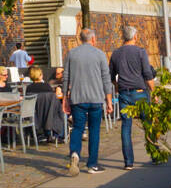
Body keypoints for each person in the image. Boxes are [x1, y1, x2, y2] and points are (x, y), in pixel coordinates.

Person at [63, 28, 113, 175]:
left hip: (77, 98)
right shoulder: (99, 54)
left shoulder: (72, 54)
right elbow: (106, 79)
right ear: (93, 39)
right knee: (94, 130)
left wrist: (65, 98)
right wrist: (109, 101)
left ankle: (74, 153)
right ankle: (92, 164)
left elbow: (66, 77)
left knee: (78, 128)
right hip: (96, 98)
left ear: (80, 39)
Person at [109, 24, 156, 171]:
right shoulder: (140, 52)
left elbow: (111, 76)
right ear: (135, 36)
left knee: (126, 127)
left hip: (124, 93)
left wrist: (117, 88)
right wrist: (153, 91)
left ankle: (128, 162)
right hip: (140, 91)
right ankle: (155, 154)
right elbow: (147, 74)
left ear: (124, 37)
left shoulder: (116, 54)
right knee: (148, 123)